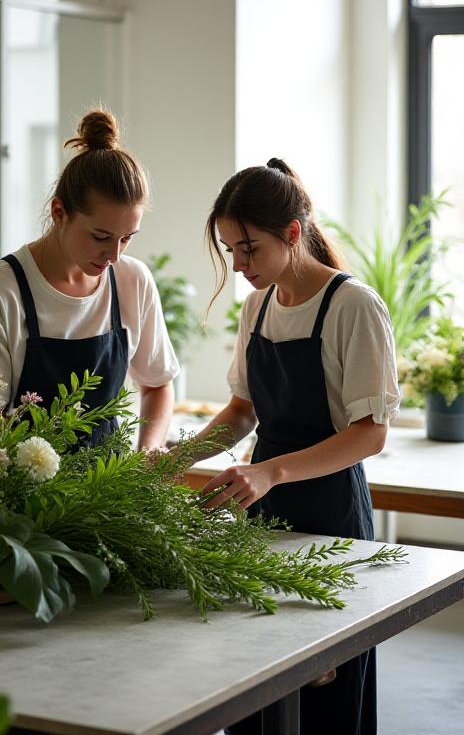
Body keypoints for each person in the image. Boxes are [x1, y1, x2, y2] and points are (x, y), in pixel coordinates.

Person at [192, 158, 400, 735]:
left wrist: (271, 472)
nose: (240, 266)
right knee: (254, 682)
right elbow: (241, 412)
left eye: (250, 249)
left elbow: (370, 433)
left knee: (325, 690)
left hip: (330, 515)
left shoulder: (352, 306)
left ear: (291, 234)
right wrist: (176, 455)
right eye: (230, 249)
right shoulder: (256, 308)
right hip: (261, 512)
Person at [0, 109, 179, 449]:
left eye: (128, 238)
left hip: (114, 485)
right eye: (101, 237)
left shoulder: (132, 280)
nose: (115, 255)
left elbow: (157, 384)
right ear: (58, 213)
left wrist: (146, 456)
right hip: (25, 494)